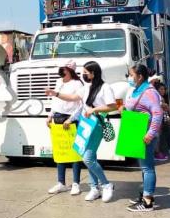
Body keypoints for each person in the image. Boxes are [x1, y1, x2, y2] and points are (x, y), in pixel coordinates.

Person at [49, 61, 118, 202]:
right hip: (84, 124)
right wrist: (55, 93)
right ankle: (94, 188)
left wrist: (94, 109)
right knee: (88, 158)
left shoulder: (105, 87)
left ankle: (106, 184)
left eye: (86, 72)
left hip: (96, 124)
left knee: (87, 158)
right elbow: (72, 98)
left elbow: (112, 106)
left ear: (93, 73)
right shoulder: (86, 87)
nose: (83, 74)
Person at [125, 64, 164, 212]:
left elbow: (157, 113)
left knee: (148, 167)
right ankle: (146, 194)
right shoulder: (138, 90)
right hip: (137, 131)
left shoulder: (149, 92)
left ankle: (147, 201)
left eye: (131, 75)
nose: (129, 78)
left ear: (140, 76)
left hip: (145, 134)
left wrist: (150, 134)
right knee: (144, 166)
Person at [44, 61, 84, 194]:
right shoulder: (58, 82)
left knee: (74, 153)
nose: (61, 71)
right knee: (60, 151)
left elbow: (79, 104)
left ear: (70, 70)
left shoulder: (77, 84)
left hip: (70, 120)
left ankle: (76, 183)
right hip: (58, 119)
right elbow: (55, 101)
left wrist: (71, 118)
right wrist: (50, 115)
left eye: (64, 69)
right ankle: (61, 182)